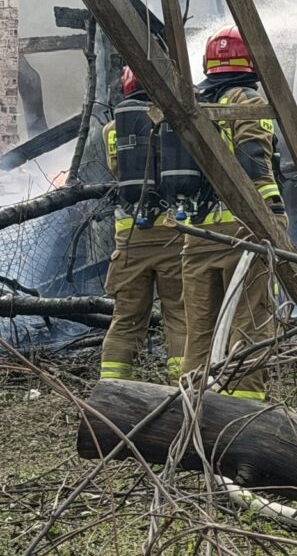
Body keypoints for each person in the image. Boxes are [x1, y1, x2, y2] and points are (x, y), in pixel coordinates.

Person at [169, 25, 286, 400]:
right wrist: (274, 215)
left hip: (198, 233)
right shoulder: (248, 101)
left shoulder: (190, 104)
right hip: (245, 231)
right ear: (250, 61)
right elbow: (254, 165)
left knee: (200, 329)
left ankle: (191, 408)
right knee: (250, 321)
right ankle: (243, 412)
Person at [100, 66, 187, 383]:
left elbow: (116, 173)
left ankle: (110, 387)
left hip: (129, 236)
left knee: (125, 319)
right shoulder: (174, 120)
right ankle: (183, 388)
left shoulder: (111, 129)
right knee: (180, 316)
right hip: (173, 233)